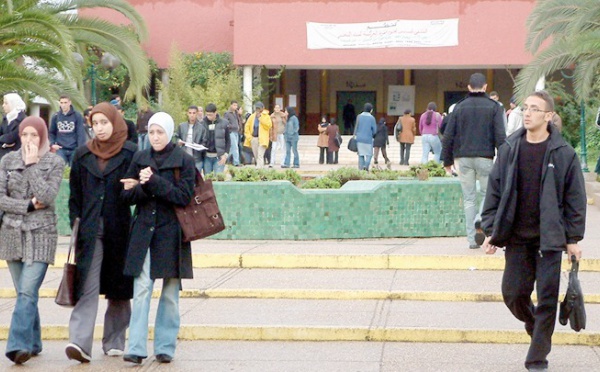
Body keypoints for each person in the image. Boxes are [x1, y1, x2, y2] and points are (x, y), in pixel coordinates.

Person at [480, 90, 586, 372]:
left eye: (534, 109)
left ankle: (537, 358)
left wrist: (572, 238)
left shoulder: (564, 153)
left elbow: (575, 199)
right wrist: (490, 229)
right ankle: (535, 323)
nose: (527, 113)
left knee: (548, 297)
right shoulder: (509, 149)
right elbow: (494, 192)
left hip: (549, 240)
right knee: (513, 294)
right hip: (516, 237)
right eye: (525, 108)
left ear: (548, 116)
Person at [64, 103, 137, 363]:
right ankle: (79, 342)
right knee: (87, 284)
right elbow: (75, 196)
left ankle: (115, 340)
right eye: (95, 123)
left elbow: (139, 192)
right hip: (90, 230)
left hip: (120, 229)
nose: (100, 128)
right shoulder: (82, 155)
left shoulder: (130, 153)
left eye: (105, 122)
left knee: (119, 285)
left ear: (115, 122)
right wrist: (77, 222)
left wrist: (136, 187)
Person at [121, 112, 195, 364]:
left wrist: (152, 182)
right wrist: (141, 187)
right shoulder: (140, 157)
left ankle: (165, 346)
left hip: (172, 233)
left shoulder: (183, 160)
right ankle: (136, 347)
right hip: (144, 232)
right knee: (141, 289)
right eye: (151, 132)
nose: (155, 137)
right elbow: (127, 196)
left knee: (170, 292)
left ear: (169, 132)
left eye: (159, 132)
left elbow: (183, 196)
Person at [0, 117, 65, 364]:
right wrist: (27, 206)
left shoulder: (54, 162)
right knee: (23, 293)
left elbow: (47, 196)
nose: (29, 140)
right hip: (11, 234)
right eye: (25, 135)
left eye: (34, 135)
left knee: (27, 291)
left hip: (42, 234)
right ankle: (34, 341)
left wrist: (31, 165)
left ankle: (17, 346)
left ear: (43, 136)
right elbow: (1, 199)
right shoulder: (7, 160)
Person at [441, 73, 506, 249]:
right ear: (485, 87)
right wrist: (504, 159)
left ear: (469, 87)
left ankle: (471, 240)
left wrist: (447, 160)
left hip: (463, 159)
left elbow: (448, 136)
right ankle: (480, 220)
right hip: (485, 157)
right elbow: (500, 136)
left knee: (469, 199)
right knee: (487, 194)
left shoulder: (459, 107)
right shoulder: (494, 107)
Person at [49, 94, 87, 166]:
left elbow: (81, 133)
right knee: (60, 169)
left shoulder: (77, 116)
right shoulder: (56, 116)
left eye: (65, 102)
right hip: (60, 149)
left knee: (74, 170)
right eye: (61, 103)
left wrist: (80, 149)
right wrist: (52, 144)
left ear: (70, 102)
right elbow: (51, 132)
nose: (63, 105)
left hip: (74, 149)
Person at [201, 103, 230, 175]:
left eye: (210, 115)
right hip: (206, 156)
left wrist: (225, 155)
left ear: (215, 113)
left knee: (218, 179)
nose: (208, 117)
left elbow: (228, 140)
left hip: (219, 156)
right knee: (207, 180)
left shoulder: (224, 123)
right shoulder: (202, 123)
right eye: (207, 114)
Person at [175, 105, 206, 172]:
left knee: (196, 180)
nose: (192, 115)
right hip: (184, 158)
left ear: (197, 114)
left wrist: (198, 146)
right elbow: (176, 138)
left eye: (194, 113)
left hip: (197, 159)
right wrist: (179, 142)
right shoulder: (181, 126)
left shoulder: (201, 128)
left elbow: (204, 142)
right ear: (187, 113)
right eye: (190, 113)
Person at [244, 102, 272, 168]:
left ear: (262, 108)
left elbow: (268, 125)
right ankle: (260, 168)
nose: (257, 110)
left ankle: (259, 169)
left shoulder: (266, 116)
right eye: (256, 108)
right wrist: (249, 137)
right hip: (254, 138)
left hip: (262, 138)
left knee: (260, 154)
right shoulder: (252, 116)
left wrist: (260, 118)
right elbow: (246, 127)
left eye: (259, 108)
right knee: (256, 155)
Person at [0, 93, 27, 159]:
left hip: (17, 157)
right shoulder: (6, 118)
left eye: (6, 103)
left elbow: (10, 138)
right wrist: (4, 143)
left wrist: (3, 140)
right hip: (3, 155)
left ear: (13, 103)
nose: (3, 106)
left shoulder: (23, 119)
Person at [355, 103, 377, 171]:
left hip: (359, 138)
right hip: (368, 139)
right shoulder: (371, 118)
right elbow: (374, 130)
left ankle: (361, 169)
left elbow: (356, 127)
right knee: (369, 154)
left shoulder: (359, 116)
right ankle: (366, 166)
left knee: (361, 154)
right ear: (371, 110)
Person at [223, 100, 241, 167]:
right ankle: (236, 162)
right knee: (235, 147)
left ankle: (224, 159)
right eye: (234, 105)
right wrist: (232, 126)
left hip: (237, 131)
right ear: (231, 105)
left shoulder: (236, 113)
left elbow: (239, 121)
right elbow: (225, 123)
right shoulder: (227, 113)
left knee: (231, 149)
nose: (235, 107)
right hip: (231, 132)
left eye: (236, 105)